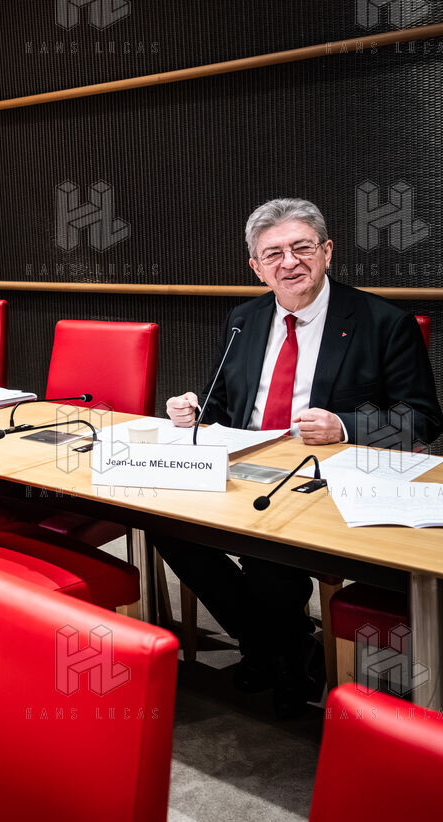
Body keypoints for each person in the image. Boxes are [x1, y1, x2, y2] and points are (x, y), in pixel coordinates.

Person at [158, 197, 441, 717]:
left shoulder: (383, 322)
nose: (289, 263)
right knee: (167, 526)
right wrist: (192, 409)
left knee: (268, 556)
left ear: (327, 251)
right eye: (273, 254)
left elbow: (422, 421)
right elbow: (220, 405)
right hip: (244, 470)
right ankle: (281, 647)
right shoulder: (244, 319)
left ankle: (276, 655)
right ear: (256, 267)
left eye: (302, 248)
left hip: (324, 479)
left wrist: (344, 426)